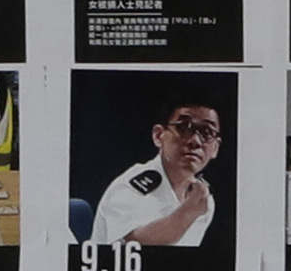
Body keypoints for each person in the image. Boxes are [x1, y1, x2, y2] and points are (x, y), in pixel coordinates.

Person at [90, 99, 224, 246]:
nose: (195, 140)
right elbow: (129, 249)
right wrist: (188, 213)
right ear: (159, 136)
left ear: (215, 148)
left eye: (207, 132)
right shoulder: (130, 187)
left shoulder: (202, 198)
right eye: (184, 127)